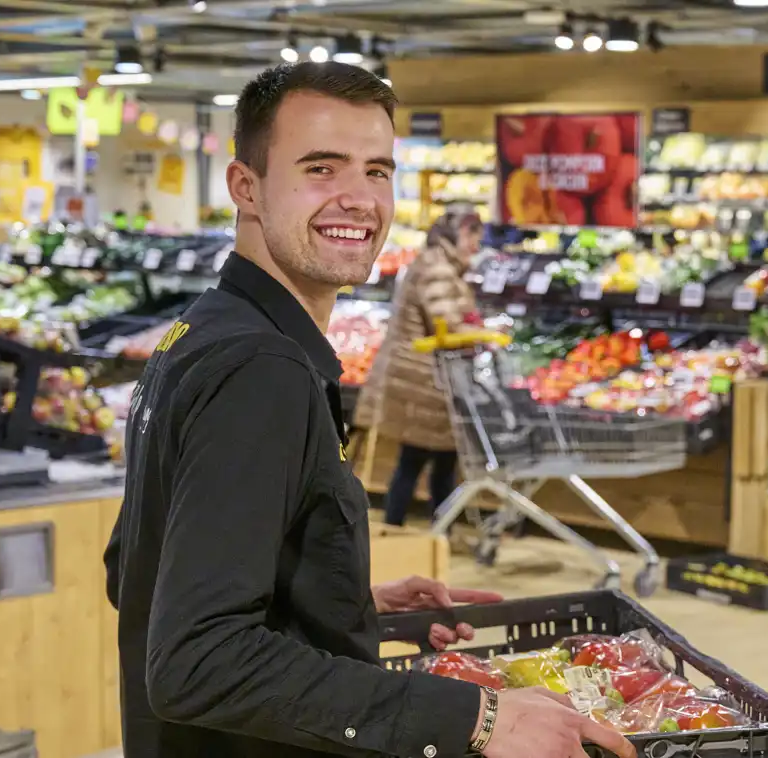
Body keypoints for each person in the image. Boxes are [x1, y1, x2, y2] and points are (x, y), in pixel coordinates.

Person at [102, 61, 635, 758]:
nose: (358, 199)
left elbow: (134, 570)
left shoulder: (201, 331)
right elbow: (196, 663)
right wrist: (473, 718)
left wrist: (334, 601)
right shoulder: (262, 371)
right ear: (246, 187)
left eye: (377, 171)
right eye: (321, 168)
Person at [353, 205, 483, 526]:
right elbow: (446, 323)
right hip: (423, 381)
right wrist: (482, 333)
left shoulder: (438, 263)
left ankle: (434, 528)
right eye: (473, 237)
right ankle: (404, 528)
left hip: (425, 378)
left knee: (436, 461)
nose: (476, 247)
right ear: (459, 234)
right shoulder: (437, 268)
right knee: (419, 461)